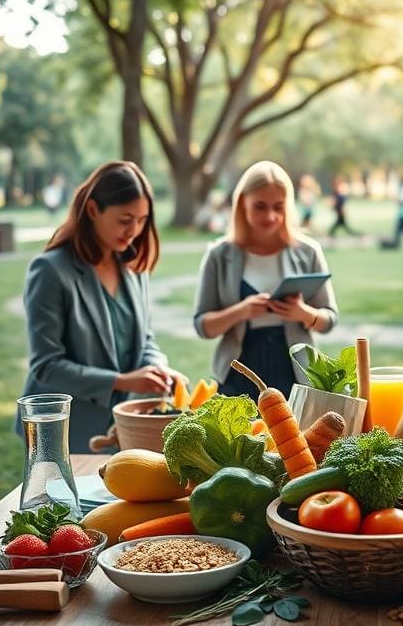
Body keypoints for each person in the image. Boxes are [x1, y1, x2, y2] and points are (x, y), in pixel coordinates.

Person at [18, 162, 185, 454]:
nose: (134, 230)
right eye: (125, 219)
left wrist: (159, 368)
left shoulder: (133, 268)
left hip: (123, 427)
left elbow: (144, 339)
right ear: (93, 210)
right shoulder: (50, 271)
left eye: (142, 220)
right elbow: (46, 366)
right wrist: (122, 381)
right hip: (63, 432)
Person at [194, 161, 338, 399]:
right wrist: (240, 311)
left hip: (295, 371)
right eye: (260, 206)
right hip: (238, 370)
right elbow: (202, 326)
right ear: (242, 203)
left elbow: (330, 319)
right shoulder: (219, 255)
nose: (270, 216)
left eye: (278, 207)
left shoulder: (309, 251)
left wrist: (303, 313)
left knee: (294, 437)